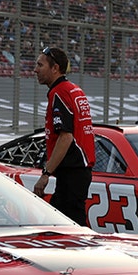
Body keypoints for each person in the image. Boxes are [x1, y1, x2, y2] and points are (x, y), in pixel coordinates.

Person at [32, 46, 94, 225]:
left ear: (55, 68)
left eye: (40, 65)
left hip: (72, 172)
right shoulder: (73, 89)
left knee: (68, 228)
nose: (35, 70)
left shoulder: (59, 92)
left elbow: (65, 137)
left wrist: (45, 174)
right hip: (77, 171)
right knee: (60, 224)